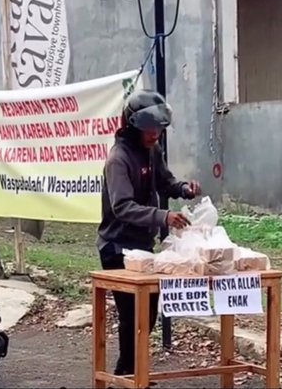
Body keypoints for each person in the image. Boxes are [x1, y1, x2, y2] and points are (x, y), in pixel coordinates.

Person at [97, 89, 202, 376]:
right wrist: (163, 216)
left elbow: (165, 182)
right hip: (116, 247)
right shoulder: (118, 159)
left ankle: (137, 374)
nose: (155, 134)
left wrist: (183, 189)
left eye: (158, 128)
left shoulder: (152, 151)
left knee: (148, 314)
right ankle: (125, 376)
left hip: (142, 246)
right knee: (131, 317)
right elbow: (122, 207)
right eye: (149, 129)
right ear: (133, 126)